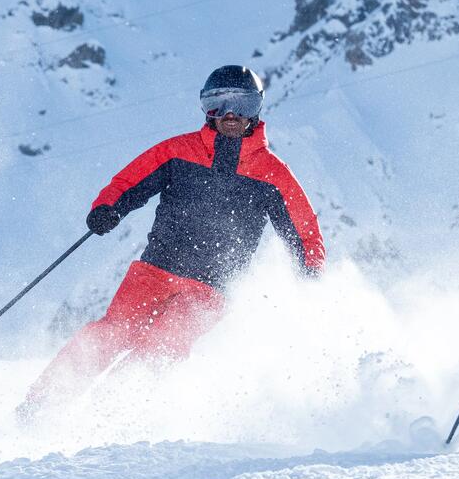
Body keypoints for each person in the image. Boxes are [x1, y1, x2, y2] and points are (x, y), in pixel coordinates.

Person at [19, 64, 325, 413]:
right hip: (156, 269)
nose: (229, 114)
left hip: (211, 288)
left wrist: (309, 265)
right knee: (113, 331)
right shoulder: (179, 152)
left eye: (241, 105)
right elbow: (130, 181)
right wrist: (108, 208)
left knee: (163, 347)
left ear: (256, 110)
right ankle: (39, 406)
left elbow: (305, 230)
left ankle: (105, 415)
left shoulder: (272, 173)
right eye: (217, 104)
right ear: (205, 109)